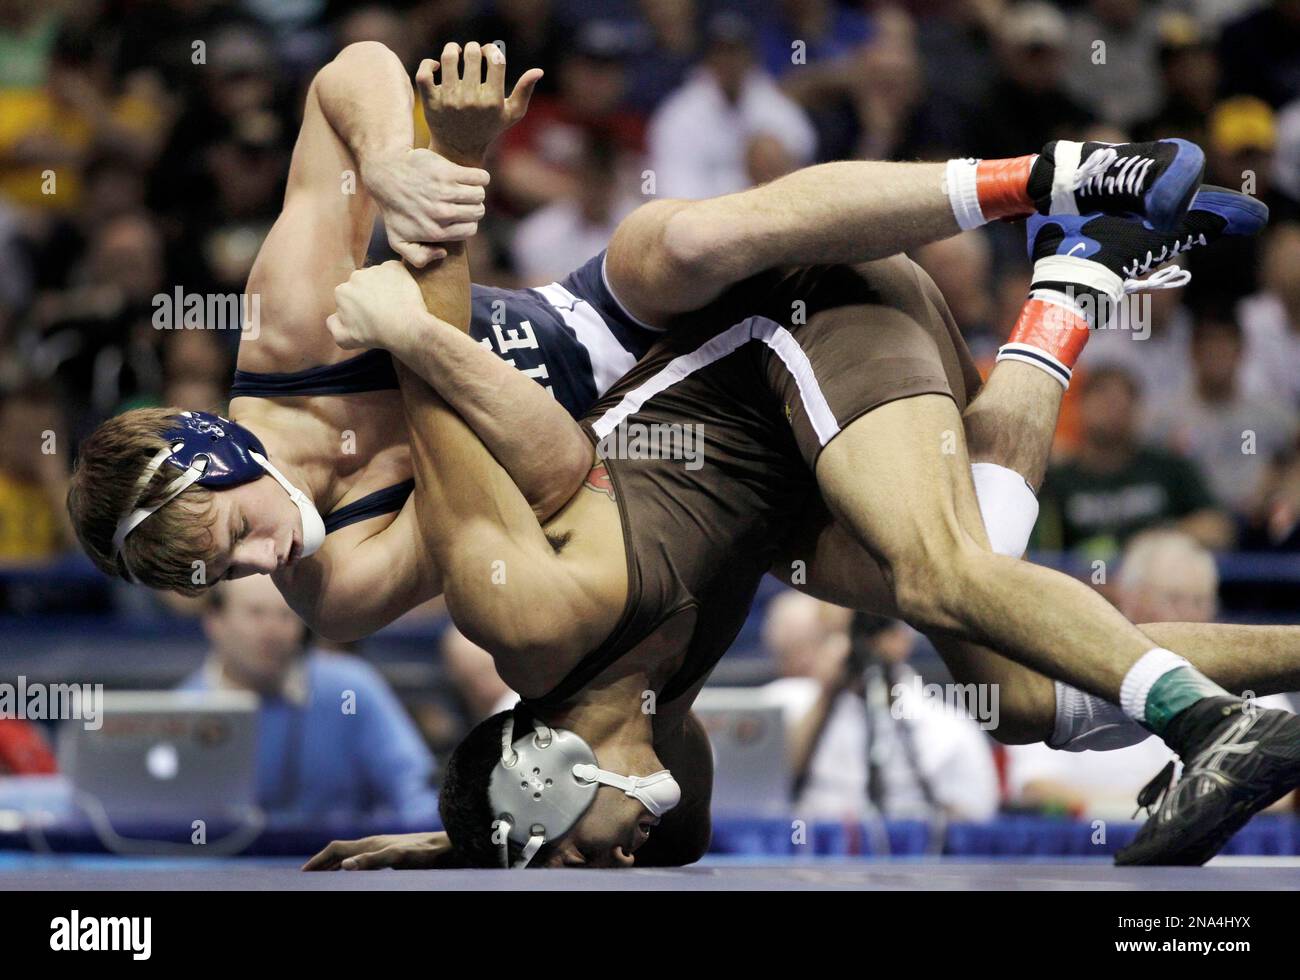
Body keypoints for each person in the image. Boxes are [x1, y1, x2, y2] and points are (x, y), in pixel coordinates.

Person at [65, 41, 1297, 866]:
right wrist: (478, 834)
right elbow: (533, 476)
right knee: (1018, 677)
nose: (257, 566)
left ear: (212, 447)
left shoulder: (292, 320)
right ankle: (1073, 280)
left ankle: (1050, 176)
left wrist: (405, 159)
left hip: (689, 339)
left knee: (677, 247)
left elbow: (358, 64)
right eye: (222, 584)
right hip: (687, 432)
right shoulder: (343, 590)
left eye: (229, 539)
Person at [181, 573, 438, 820]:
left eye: (285, 615)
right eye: (255, 613)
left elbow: (415, 788)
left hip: (343, 862)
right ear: (214, 622)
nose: (271, 630)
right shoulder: (182, 711)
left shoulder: (352, 688)